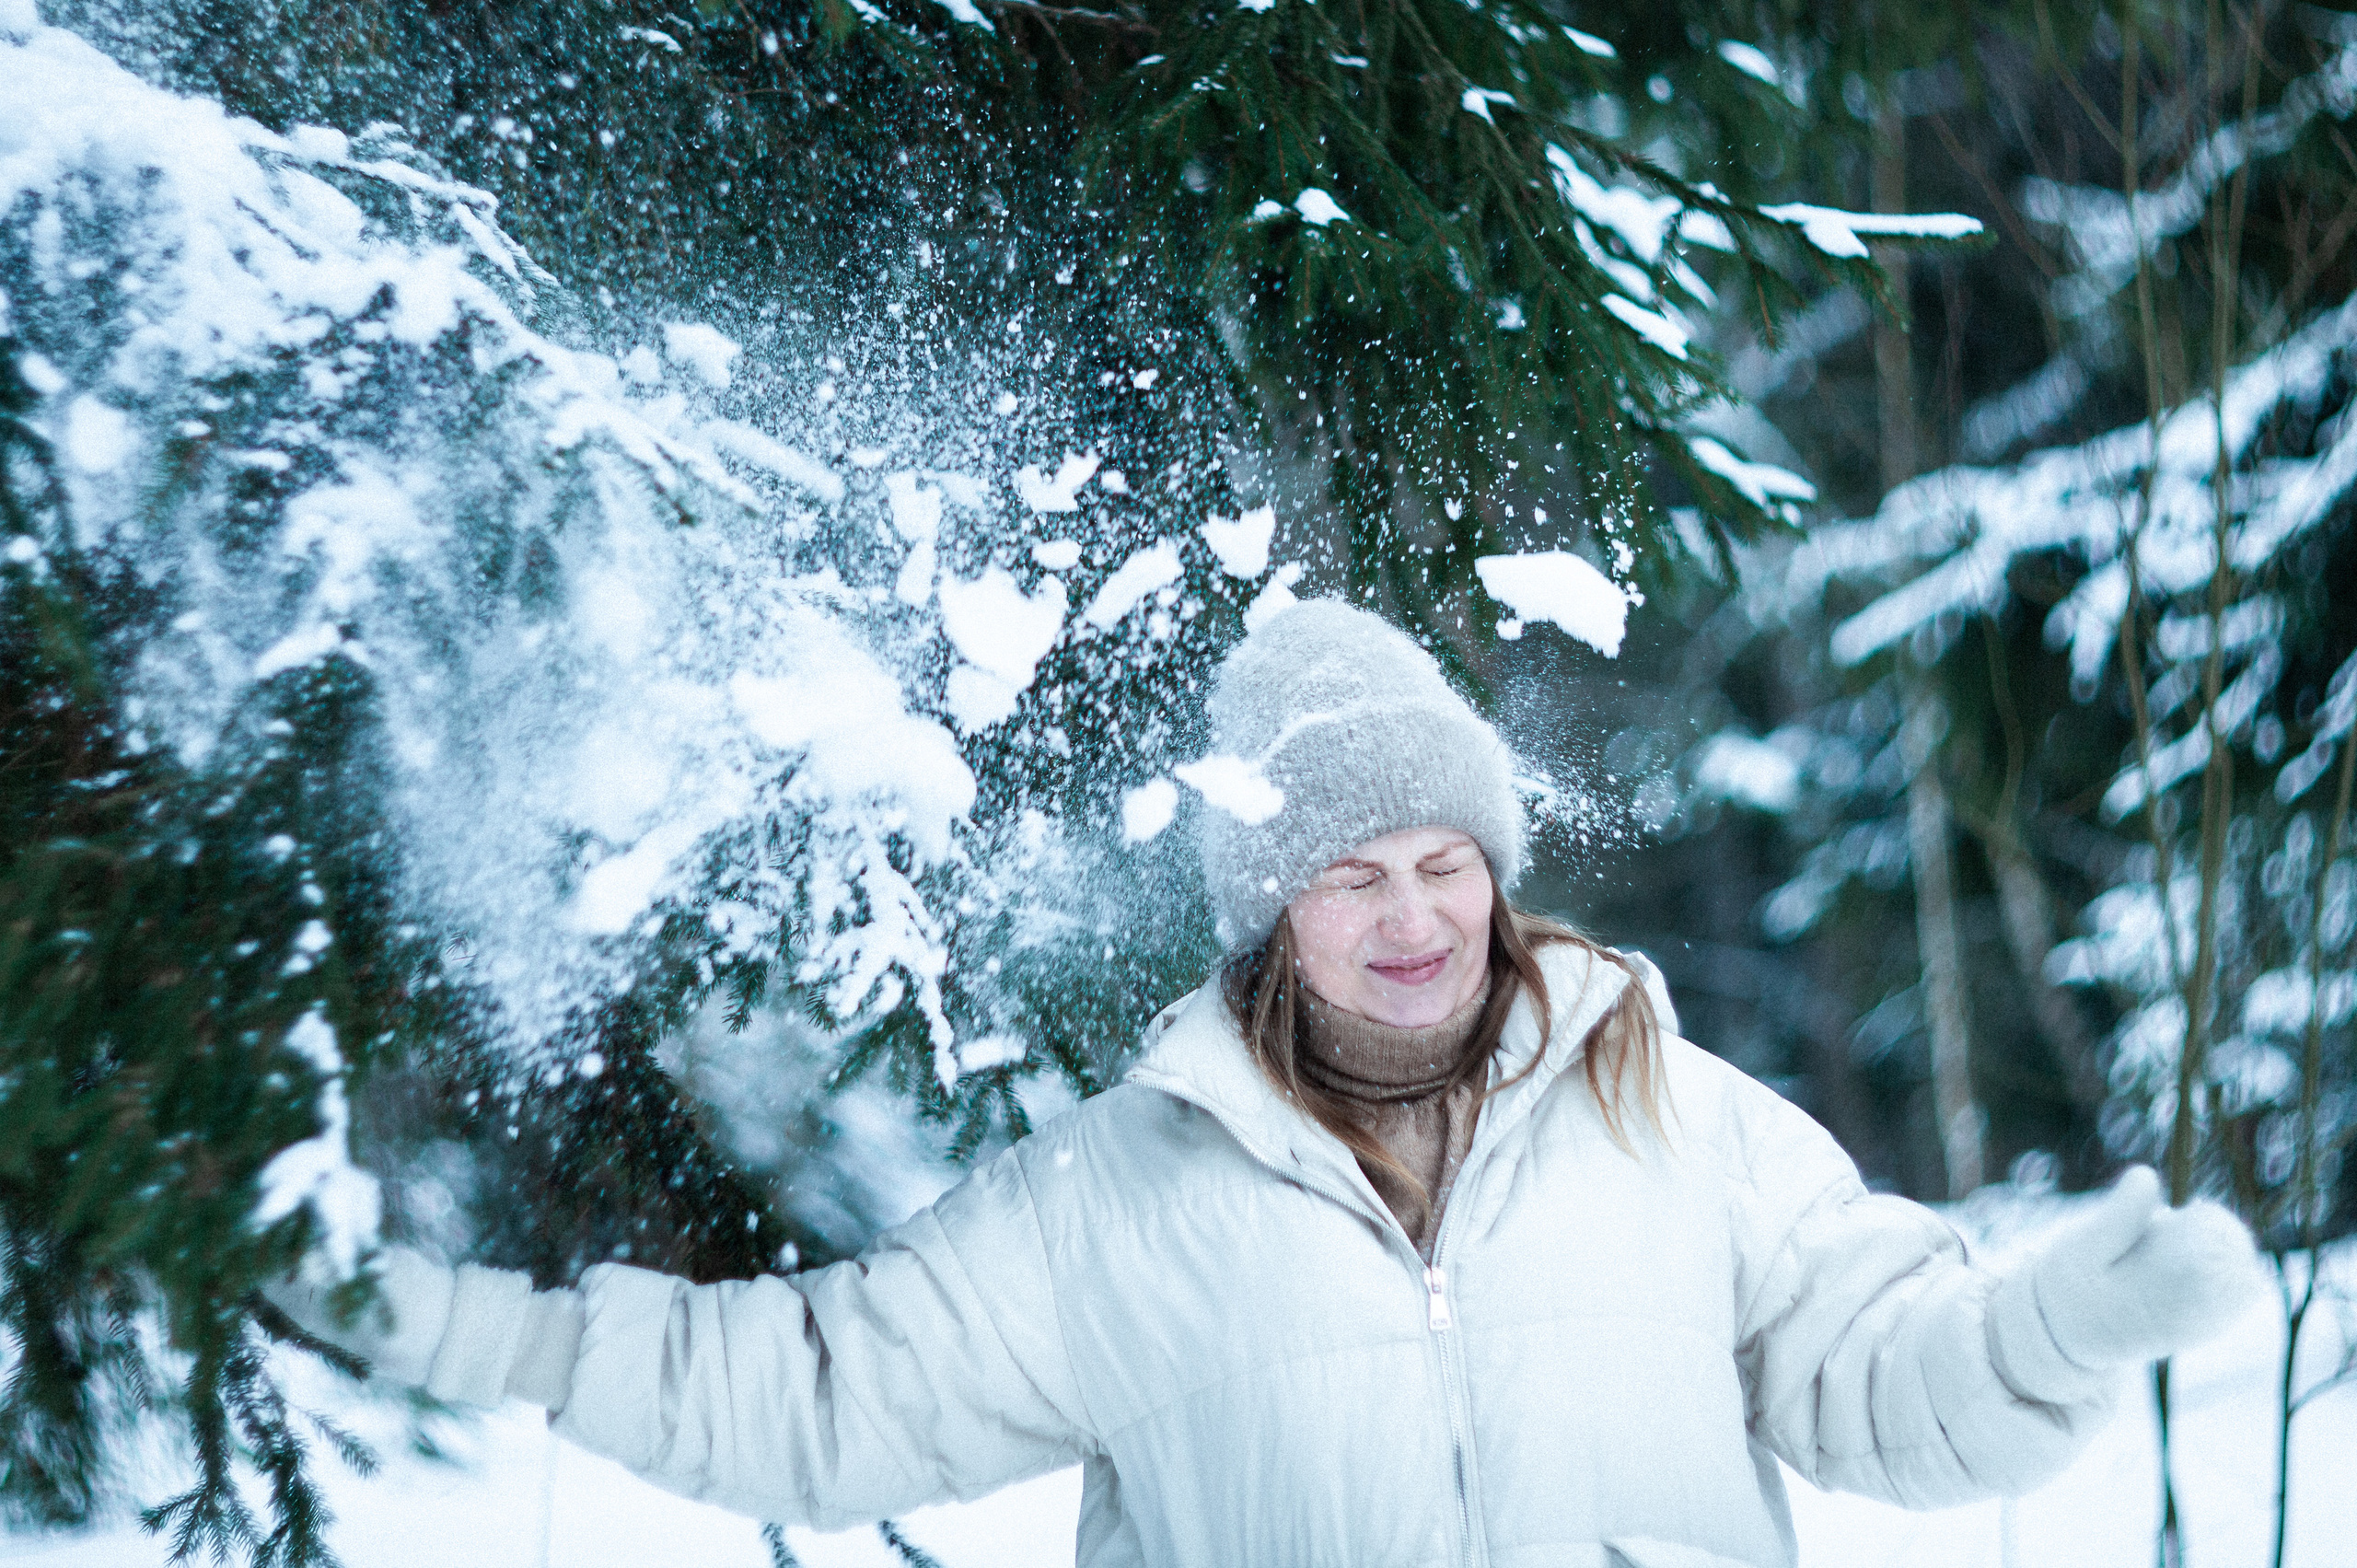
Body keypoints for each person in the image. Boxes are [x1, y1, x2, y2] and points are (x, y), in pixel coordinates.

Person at [275, 600, 2263, 1567]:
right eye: (1348, 873)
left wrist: (2072, 1321)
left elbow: (1889, 1393)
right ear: (1266, 912)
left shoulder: (1679, 1115)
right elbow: (814, 1400)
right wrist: (487, 1339)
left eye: (1444, 864)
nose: (1411, 918)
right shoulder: (1115, 1192)